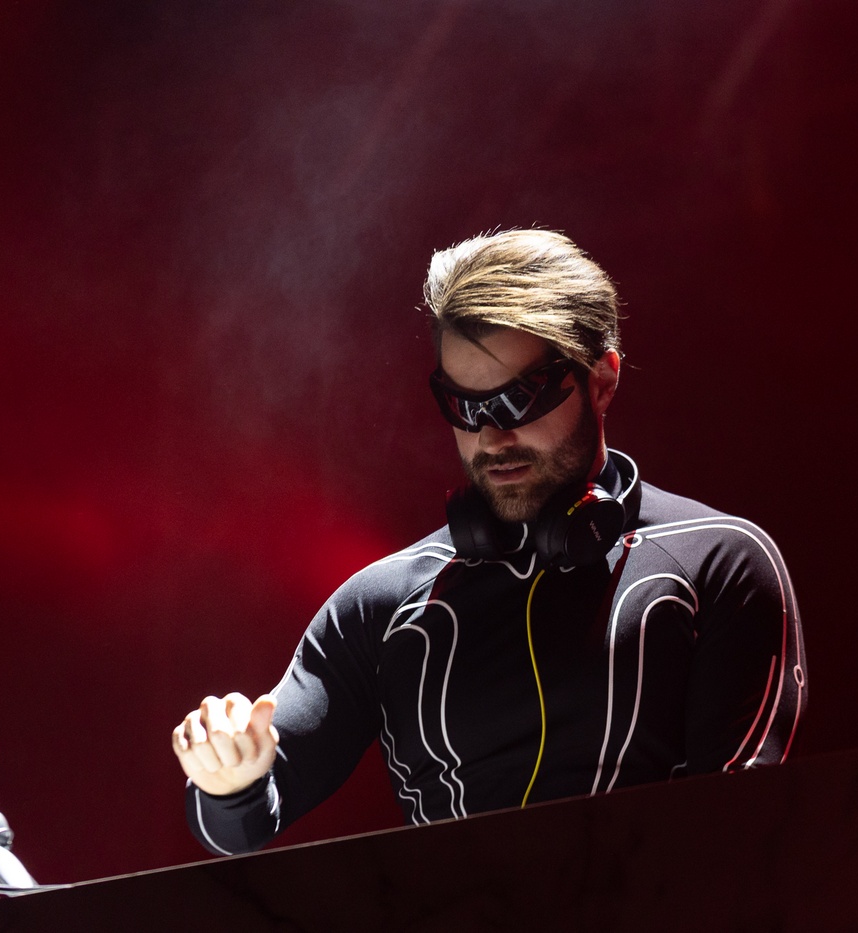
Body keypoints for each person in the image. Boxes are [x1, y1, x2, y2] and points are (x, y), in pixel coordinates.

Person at [172, 229, 807, 855]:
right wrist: (228, 777)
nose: (492, 439)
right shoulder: (378, 606)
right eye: (464, 407)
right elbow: (241, 825)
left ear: (602, 380)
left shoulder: (720, 563)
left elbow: (741, 837)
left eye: (520, 400)